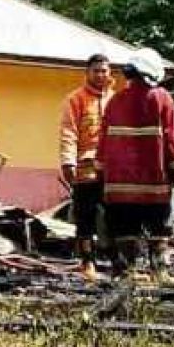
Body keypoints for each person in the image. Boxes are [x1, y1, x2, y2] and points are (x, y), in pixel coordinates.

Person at [96, 47, 174, 287]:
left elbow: (103, 140)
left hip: (118, 186)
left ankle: (127, 272)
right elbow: (173, 138)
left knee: (125, 228)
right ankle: (159, 272)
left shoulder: (115, 100)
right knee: (159, 227)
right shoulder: (162, 98)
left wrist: (100, 172)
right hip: (153, 184)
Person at [60, 53, 115, 283]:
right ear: (87, 72)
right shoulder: (75, 99)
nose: (101, 75)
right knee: (85, 218)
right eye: (96, 71)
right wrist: (68, 161)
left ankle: (118, 262)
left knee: (115, 217)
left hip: (113, 171)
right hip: (85, 169)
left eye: (104, 71)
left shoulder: (117, 100)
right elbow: (68, 131)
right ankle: (87, 262)